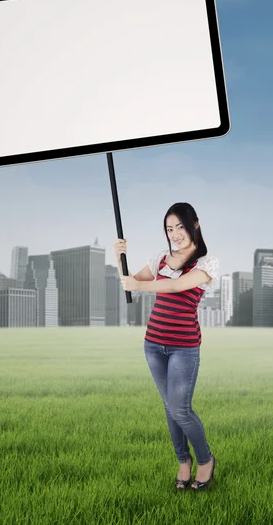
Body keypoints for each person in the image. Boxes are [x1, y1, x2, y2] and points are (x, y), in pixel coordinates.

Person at [114, 202, 219, 491]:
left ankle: (206, 461)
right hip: (153, 345)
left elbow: (175, 287)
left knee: (181, 410)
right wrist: (118, 256)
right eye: (169, 229)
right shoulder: (160, 258)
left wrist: (138, 286)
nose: (175, 234)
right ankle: (183, 463)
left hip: (184, 347)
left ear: (195, 225)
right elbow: (130, 282)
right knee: (169, 408)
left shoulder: (206, 263)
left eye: (180, 227)